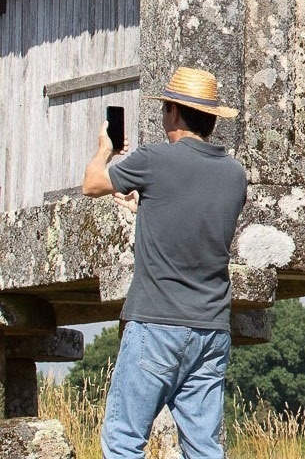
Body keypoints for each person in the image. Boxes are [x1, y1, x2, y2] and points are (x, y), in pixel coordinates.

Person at [82, 66, 247, 459]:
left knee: (124, 440)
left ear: (173, 111)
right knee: (204, 447)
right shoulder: (235, 175)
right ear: (211, 119)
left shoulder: (155, 159)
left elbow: (92, 184)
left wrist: (104, 150)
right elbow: (194, 222)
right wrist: (149, 205)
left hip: (156, 322)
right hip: (211, 328)